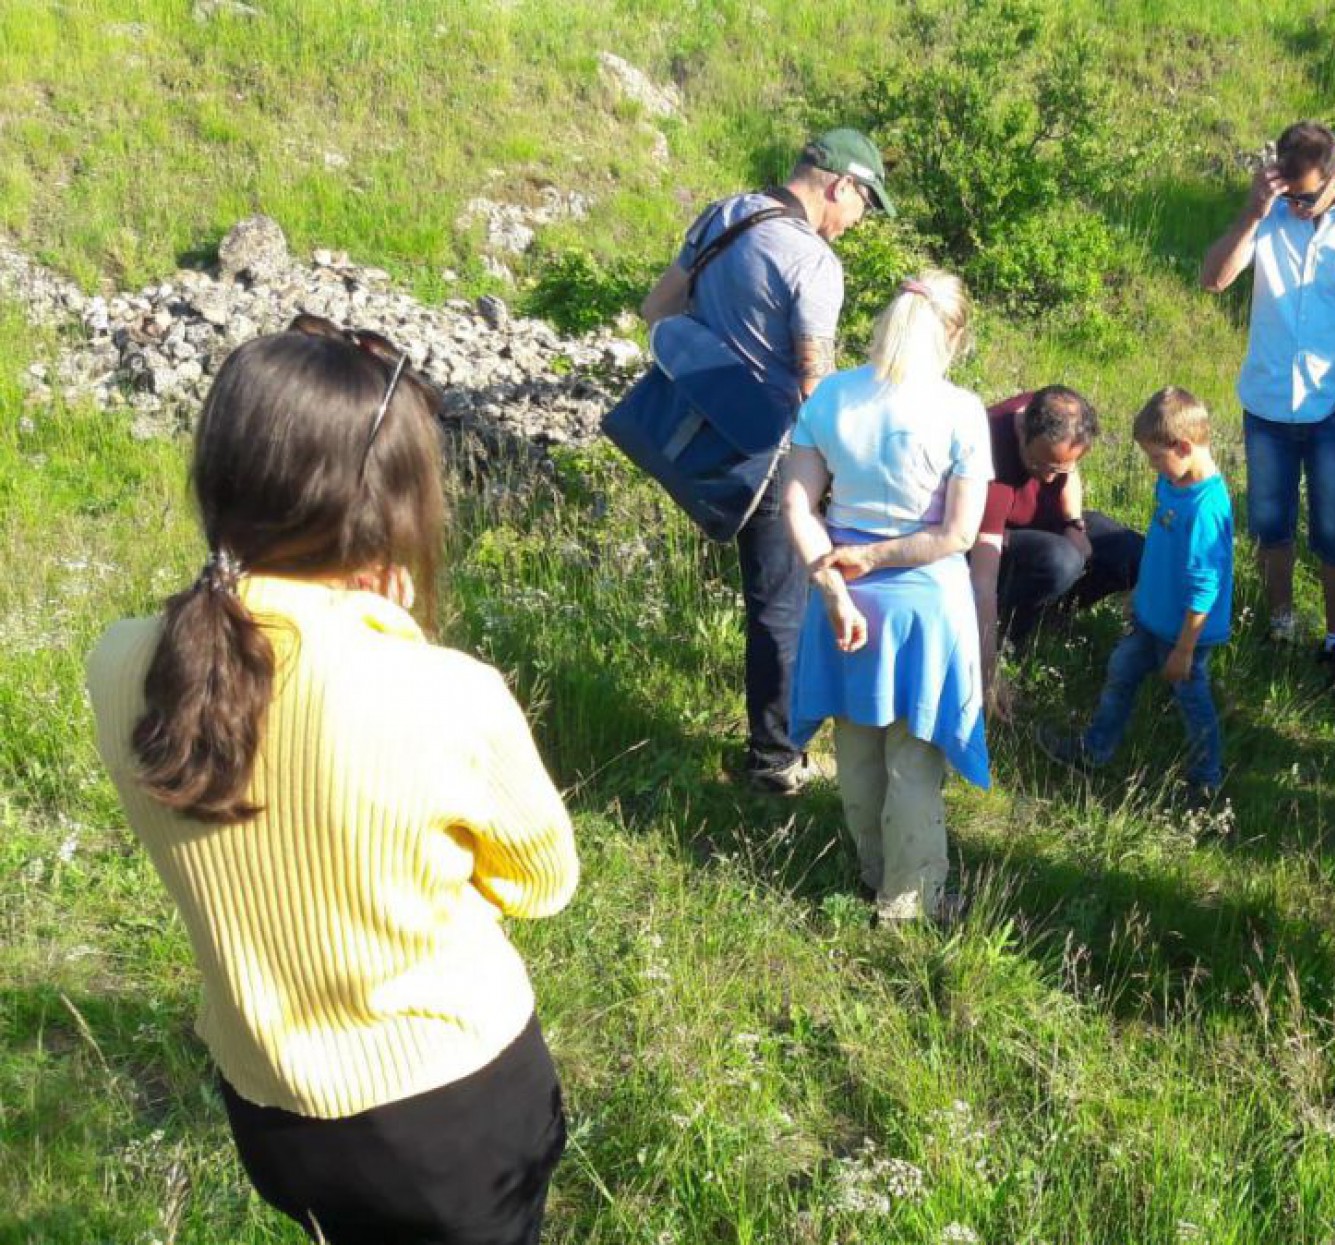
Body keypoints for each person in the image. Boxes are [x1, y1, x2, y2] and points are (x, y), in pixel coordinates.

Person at [85, 319, 579, 1244]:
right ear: (391, 508)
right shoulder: (441, 693)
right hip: (451, 1114)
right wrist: (392, 637)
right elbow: (542, 882)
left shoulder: (119, 664)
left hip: (272, 1109)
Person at [641, 127, 893, 795]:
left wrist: (712, 373)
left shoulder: (727, 214)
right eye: (863, 204)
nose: (857, 222)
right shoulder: (814, 263)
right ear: (841, 184)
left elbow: (658, 308)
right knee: (780, 606)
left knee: (769, 599)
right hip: (772, 455)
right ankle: (775, 761)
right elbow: (816, 385)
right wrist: (847, 470)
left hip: (697, 438)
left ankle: (777, 741)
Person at [785, 271, 990, 925]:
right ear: (952, 334)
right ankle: (909, 901)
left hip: (844, 596)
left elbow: (796, 503)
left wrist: (835, 583)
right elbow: (957, 534)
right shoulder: (961, 410)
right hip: (924, 603)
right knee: (914, 753)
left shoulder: (834, 396)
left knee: (856, 744)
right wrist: (874, 556)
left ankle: (874, 872)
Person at [1200, 120, 1335, 680]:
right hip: (1267, 401)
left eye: (1307, 195)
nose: (1297, 204)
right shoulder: (1268, 213)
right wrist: (1254, 210)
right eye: (1287, 192)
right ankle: (1282, 622)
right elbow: (1213, 280)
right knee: (1271, 523)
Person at [1047, 388, 1234, 806]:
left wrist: (1185, 650)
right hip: (1151, 618)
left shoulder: (1206, 508)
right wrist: (1141, 594)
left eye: (1155, 457)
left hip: (1183, 635)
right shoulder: (1173, 481)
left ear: (1184, 447)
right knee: (1120, 674)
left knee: (1193, 701)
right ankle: (1094, 750)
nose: (1153, 466)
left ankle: (1205, 780)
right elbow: (1158, 545)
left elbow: (1205, 586)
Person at [972, 386, 1146, 717]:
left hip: (1050, 524)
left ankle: (1052, 614)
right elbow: (982, 572)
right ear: (1022, 432)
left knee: (1131, 552)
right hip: (1000, 539)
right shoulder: (989, 451)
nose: (1050, 475)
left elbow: (1070, 472)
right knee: (1062, 560)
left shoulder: (1054, 420)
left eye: (1059, 468)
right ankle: (1011, 634)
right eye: (1041, 464)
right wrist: (986, 673)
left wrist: (1074, 523)